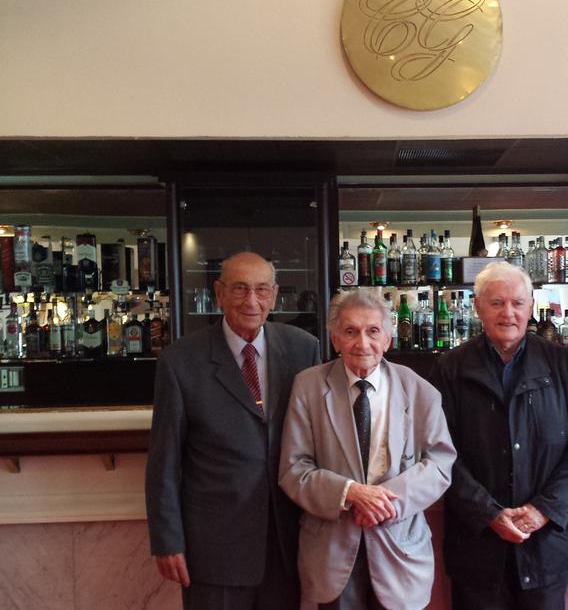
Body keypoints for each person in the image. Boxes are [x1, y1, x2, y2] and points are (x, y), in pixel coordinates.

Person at [146, 251, 321, 610]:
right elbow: (164, 461)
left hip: (288, 544)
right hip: (214, 549)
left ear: (274, 295)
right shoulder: (180, 361)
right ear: (219, 293)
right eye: (240, 288)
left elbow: (321, 439)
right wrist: (167, 540)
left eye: (261, 289)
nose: (251, 301)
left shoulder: (304, 349)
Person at [278, 287, 456, 610]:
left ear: (388, 339)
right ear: (335, 340)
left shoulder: (420, 390)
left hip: (400, 553)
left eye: (373, 331)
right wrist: (350, 493)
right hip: (330, 555)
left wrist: (383, 502)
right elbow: (293, 469)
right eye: (350, 331)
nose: (362, 343)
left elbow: (440, 464)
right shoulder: (308, 387)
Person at [431, 261, 568, 610]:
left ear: (531, 305)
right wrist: (488, 513)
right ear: (478, 307)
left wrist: (543, 509)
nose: (508, 313)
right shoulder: (450, 367)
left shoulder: (561, 364)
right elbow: (440, 453)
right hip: (476, 546)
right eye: (497, 303)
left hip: (547, 546)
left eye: (517, 303)